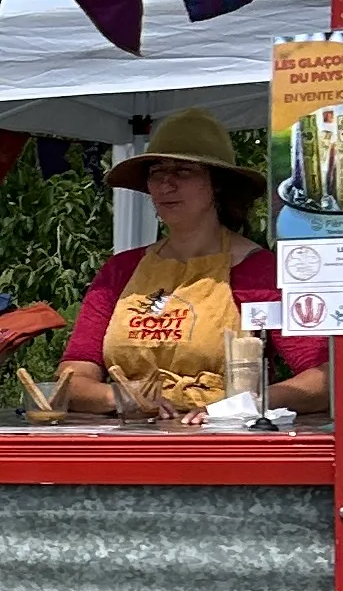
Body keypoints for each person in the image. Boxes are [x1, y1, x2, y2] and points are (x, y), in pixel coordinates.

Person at [58, 109, 329, 420]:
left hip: (226, 445)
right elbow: (73, 374)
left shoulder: (260, 273)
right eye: (157, 172)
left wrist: (234, 407)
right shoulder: (120, 270)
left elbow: (322, 378)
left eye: (183, 171)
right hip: (129, 443)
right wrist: (117, 396)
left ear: (217, 184)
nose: (166, 185)